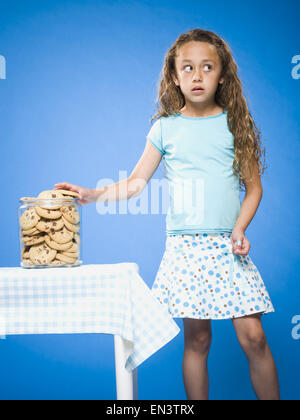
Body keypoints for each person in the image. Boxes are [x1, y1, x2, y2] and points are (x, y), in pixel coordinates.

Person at [54, 28, 280, 400]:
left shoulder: (235, 126)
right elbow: (135, 184)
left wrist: (240, 227)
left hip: (228, 246)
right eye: (187, 68)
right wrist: (93, 193)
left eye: (207, 67)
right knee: (199, 338)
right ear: (174, 77)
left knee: (253, 337)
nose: (196, 75)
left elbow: (253, 188)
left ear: (222, 75)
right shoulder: (165, 128)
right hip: (186, 249)